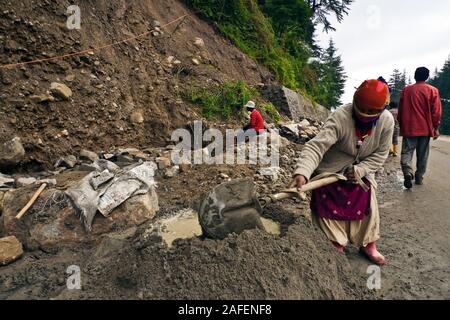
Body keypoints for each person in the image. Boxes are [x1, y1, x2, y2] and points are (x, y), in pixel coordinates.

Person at [290, 79, 394, 266]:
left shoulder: (387, 121)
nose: (365, 114)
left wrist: (361, 170)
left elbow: (381, 154)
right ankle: (335, 242)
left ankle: (368, 243)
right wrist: (303, 172)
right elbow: (316, 147)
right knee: (329, 203)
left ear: (382, 109)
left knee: (366, 199)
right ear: (354, 101)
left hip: (361, 171)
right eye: (361, 108)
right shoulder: (340, 116)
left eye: (372, 112)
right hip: (331, 171)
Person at [398, 67, 442, 188]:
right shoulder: (432, 90)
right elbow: (436, 111)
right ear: (427, 77)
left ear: (415, 76)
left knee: (407, 152)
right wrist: (436, 127)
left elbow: (400, 110)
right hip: (425, 128)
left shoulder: (406, 90)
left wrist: (401, 123)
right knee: (423, 154)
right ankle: (419, 177)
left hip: (409, 127)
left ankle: (407, 172)